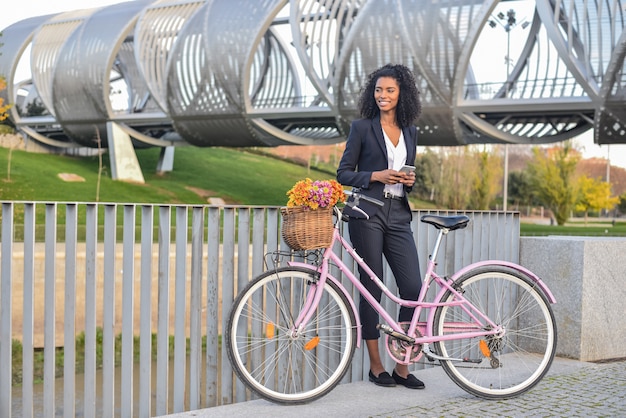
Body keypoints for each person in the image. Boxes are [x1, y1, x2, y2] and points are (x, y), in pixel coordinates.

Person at [336, 63, 424, 389]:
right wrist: (376, 175)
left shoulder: (411, 131)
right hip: (367, 213)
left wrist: (409, 180)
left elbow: (409, 177)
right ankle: (376, 367)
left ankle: (402, 364)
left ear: (402, 94)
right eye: (378, 90)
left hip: (399, 214)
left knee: (412, 288)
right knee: (372, 289)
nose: (382, 96)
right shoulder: (361, 128)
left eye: (389, 90)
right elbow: (343, 173)